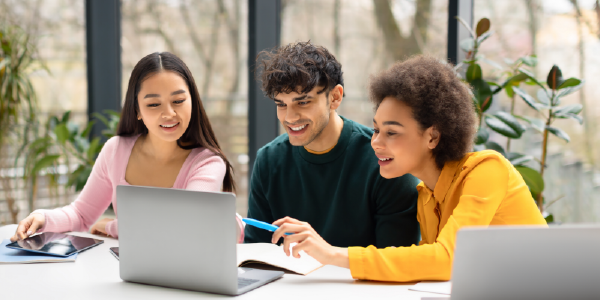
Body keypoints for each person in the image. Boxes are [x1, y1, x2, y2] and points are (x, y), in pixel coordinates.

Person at [270, 55, 547, 282]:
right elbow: (424, 265)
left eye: (392, 133)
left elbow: (447, 259)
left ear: (432, 137)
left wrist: (331, 254)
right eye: (376, 129)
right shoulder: (426, 195)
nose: (375, 142)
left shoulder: (487, 169)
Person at [11, 52, 245, 242]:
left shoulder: (208, 163)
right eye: (154, 104)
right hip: (132, 275)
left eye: (179, 101)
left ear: (193, 101)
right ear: (137, 111)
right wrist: (43, 217)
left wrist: (112, 226)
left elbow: (182, 226)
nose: (169, 113)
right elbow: (82, 215)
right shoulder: (116, 150)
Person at [245, 41, 421, 248]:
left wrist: (325, 252)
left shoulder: (385, 161)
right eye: (281, 104)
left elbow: (396, 265)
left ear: (335, 97)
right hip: (287, 281)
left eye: (303, 102)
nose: (290, 117)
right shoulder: (268, 160)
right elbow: (255, 253)